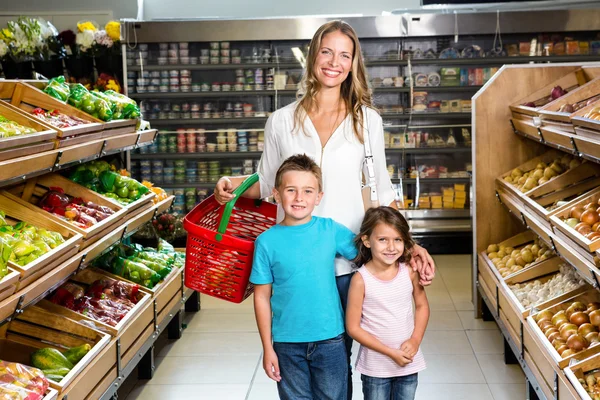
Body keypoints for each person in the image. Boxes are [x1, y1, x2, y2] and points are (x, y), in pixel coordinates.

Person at [214, 20, 436, 397]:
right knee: (305, 356)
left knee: (349, 363)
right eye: (327, 52)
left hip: (355, 262)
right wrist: (232, 186)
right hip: (302, 268)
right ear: (314, 55)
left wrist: (411, 245)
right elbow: (268, 183)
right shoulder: (282, 121)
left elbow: (382, 189)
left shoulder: (368, 121)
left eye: (344, 55)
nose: (334, 62)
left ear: (353, 63)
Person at [250, 154, 357, 400]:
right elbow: (261, 298)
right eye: (291, 190)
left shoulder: (330, 230)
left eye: (308, 191)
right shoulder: (266, 242)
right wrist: (268, 348)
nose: (299, 198)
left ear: (319, 197)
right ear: (276, 194)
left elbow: (368, 256)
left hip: (330, 338)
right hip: (286, 343)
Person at [346, 207, 429, 400]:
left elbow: (422, 306)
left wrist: (415, 340)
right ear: (367, 241)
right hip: (376, 369)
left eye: (398, 239)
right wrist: (390, 352)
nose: (391, 247)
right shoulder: (360, 280)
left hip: (408, 363)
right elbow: (353, 327)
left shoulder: (409, 271)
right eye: (383, 239)